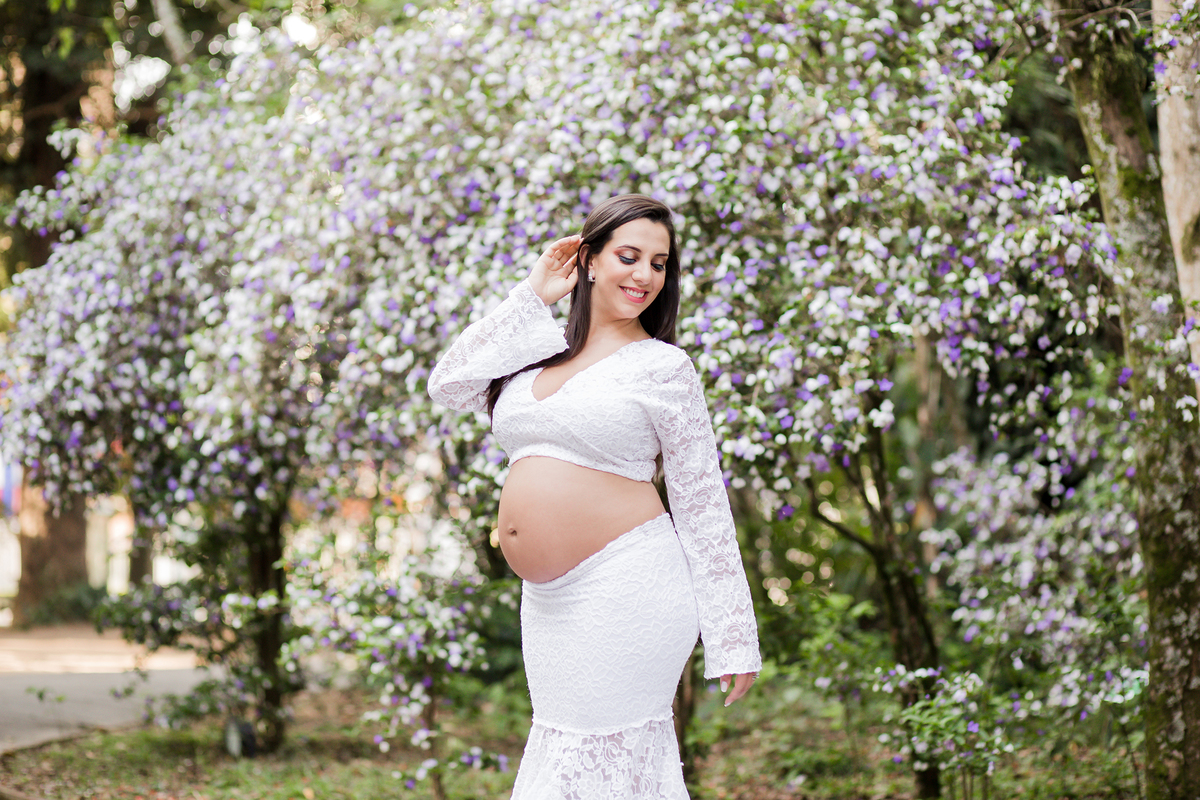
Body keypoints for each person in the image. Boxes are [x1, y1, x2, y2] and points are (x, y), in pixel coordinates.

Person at [428, 194, 761, 799]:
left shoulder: (664, 368)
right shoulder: (533, 352)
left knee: (603, 762)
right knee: (563, 752)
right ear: (586, 260)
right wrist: (533, 295)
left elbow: (703, 501)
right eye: (629, 256)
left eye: (659, 264)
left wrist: (732, 634)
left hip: (631, 586)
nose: (644, 276)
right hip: (548, 602)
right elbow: (450, 381)